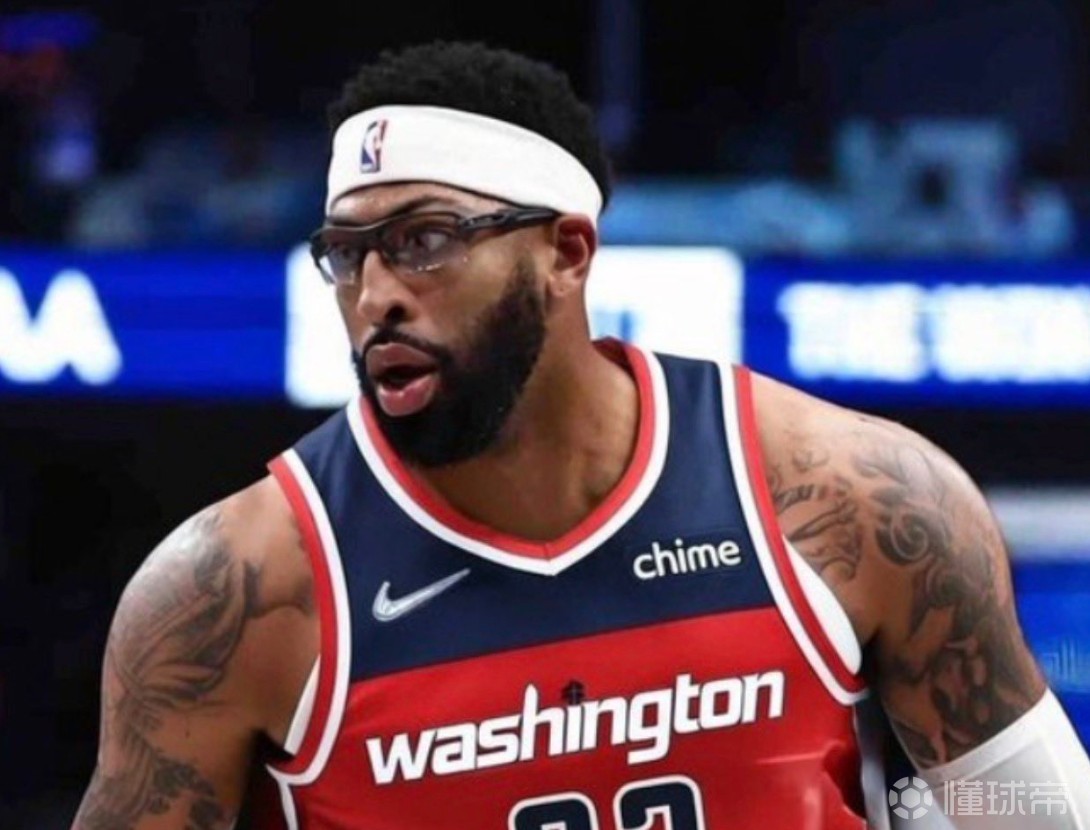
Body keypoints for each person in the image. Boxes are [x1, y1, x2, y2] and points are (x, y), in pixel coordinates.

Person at [73, 41, 1089, 830]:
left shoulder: (855, 494)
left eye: (423, 240)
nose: (375, 295)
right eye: (347, 253)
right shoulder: (229, 592)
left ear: (566, 251)